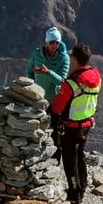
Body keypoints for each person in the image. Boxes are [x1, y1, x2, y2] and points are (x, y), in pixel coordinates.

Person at [50, 44, 102, 204]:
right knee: (80, 156)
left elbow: (57, 107)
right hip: (86, 124)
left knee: (69, 161)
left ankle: (74, 196)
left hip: (71, 127)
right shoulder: (96, 78)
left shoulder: (72, 83)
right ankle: (82, 187)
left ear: (74, 59)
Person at [25, 26, 70, 156]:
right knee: (36, 126)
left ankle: (56, 157)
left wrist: (48, 72)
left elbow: (62, 80)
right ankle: (36, 154)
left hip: (54, 99)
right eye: (52, 42)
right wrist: (32, 87)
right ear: (46, 42)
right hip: (38, 98)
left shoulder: (64, 58)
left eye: (57, 42)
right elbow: (29, 70)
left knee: (55, 129)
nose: (54, 45)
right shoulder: (36, 54)